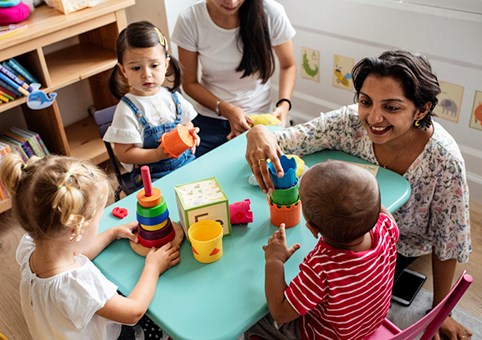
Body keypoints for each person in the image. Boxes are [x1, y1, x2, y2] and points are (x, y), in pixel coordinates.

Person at [245, 50, 473, 339]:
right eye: (366, 102)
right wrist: (259, 133)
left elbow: (448, 241)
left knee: (272, 295)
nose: (373, 117)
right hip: (366, 239)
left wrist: (443, 310)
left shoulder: (444, 160)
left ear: (422, 110)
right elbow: (290, 139)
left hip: (396, 248)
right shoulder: (349, 123)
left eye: (391, 107)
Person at [0, 153, 180, 339]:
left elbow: (75, 252)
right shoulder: (78, 284)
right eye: (98, 220)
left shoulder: (30, 246)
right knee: (159, 326)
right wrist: (153, 267)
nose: (100, 224)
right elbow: (133, 311)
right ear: (74, 231)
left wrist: (111, 233)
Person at [245, 160, 399, 339]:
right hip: (366, 326)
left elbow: (280, 312)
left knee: (255, 323)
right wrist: (365, 202)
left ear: (312, 228)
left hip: (326, 336)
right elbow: (382, 214)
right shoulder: (386, 227)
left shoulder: (321, 267)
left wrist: (274, 261)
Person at [171, 0, 297, 156]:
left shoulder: (271, 13)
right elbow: (189, 83)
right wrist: (226, 109)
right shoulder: (190, 19)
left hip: (258, 119)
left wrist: (284, 104)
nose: (231, 2)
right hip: (210, 118)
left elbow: (288, 65)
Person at [105, 21, 200, 187]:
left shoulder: (173, 97)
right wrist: (157, 155)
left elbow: (186, 123)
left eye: (154, 65)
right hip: (152, 178)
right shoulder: (126, 110)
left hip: (186, 164)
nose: (146, 75)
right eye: (136, 68)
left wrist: (190, 134)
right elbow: (124, 154)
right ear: (123, 71)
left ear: (166, 64)